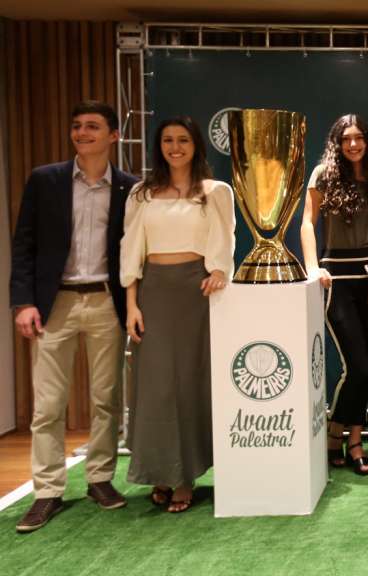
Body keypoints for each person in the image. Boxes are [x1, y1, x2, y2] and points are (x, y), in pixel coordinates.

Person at [10, 101, 138, 533]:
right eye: (77, 127)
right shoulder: (45, 181)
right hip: (55, 304)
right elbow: (24, 243)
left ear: (113, 135)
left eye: (92, 127)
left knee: (106, 399)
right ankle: (47, 490)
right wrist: (23, 302)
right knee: (47, 405)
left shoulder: (129, 188)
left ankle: (100, 480)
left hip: (106, 301)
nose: (82, 133)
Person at [120, 116, 234, 512]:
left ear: (196, 144)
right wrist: (132, 303)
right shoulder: (141, 193)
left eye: (183, 139)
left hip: (195, 293)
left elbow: (224, 239)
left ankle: (184, 477)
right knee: (154, 387)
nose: (175, 147)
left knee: (189, 384)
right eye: (168, 140)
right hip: (153, 292)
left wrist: (219, 269)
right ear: (159, 146)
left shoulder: (216, 191)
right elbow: (131, 248)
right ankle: (160, 472)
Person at [299, 114, 368, 475]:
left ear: (366, 142)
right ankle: (338, 435)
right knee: (357, 366)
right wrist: (312, 267)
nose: (353, 144)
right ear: (337, 142)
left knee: (364, 369)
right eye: (346, 139)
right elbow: (307, 222)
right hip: (336, 279)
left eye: (359, 138)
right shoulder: (323, 174)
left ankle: (351, 439)